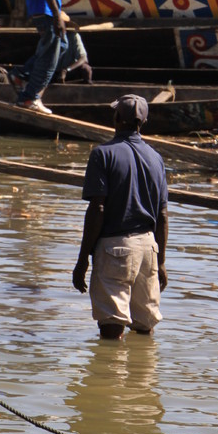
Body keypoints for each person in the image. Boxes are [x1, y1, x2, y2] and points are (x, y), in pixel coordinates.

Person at [72, 94, 168, 340]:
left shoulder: (102, 154)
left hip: (115, 248)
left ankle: (111, 376)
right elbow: (163, 215)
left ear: (116, 118)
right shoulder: (156, 159)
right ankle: (141, 376)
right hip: (148, 248)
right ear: (142, 123)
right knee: (145, 328)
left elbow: (98, 209)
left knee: (111, 333)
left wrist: (83, 259)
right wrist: (161, 263)